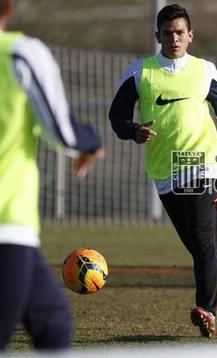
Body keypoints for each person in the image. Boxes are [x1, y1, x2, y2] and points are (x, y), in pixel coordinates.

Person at [109, 4, 217, 338]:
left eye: (180, 32)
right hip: (164, 171)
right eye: (168, 33)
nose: (174, 38)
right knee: (199, 245)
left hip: (201, 162)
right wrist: (133, 131)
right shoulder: (140, 72)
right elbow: (116, 117)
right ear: (158, 36)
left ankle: (207, 310)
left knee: (202, 246)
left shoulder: (204, 71)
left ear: (190, 36)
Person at [0, 0, 105, 351]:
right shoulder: (20, 54)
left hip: (16, 235)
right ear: (9, 8)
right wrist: (92, 141)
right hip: (6, 223)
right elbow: (62, 133)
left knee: (53, 323)